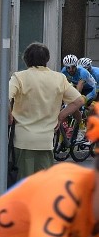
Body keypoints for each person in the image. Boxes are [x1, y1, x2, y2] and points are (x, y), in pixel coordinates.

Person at [9, 43, 84, 179]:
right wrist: (61, 116)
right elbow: (78, 101)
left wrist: (9, 116)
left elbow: (4, 98)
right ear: (46, 59)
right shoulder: (59, 78)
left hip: (23, 140)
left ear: (26, 59)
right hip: (46, 141)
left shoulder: (19, 77)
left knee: (23, 186)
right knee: (43, 186)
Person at [61, 53, 96, 136]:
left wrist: (73, 101)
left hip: (89, 89)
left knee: (77, 102)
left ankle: (82, 126)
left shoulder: (82, 72)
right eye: (68, 67)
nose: (70, 70)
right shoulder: (63, 71)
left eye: (73, 67)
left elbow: (79, 88)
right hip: (77, 86)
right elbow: (62, 85)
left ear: (76, 65)